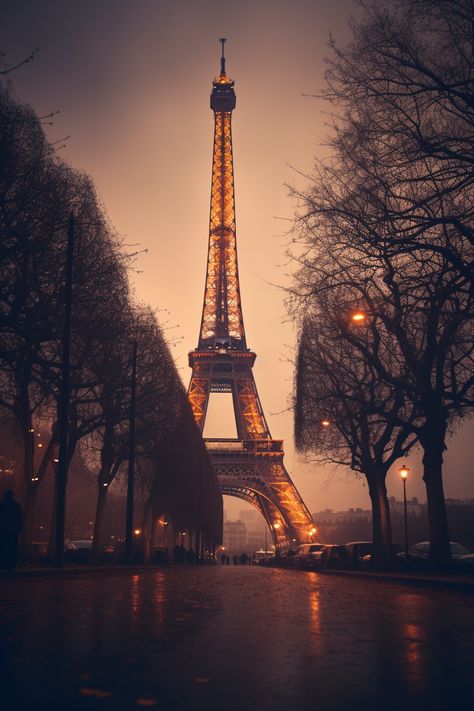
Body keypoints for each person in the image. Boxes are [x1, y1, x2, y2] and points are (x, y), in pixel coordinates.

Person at [0, 490, 23, 570]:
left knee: (4, 548)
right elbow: (19, 517)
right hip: (13, 531)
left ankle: (4, 564)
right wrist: (20, 528)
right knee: (12, 548)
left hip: (4, 531)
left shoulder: (2, 505)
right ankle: (11, 564)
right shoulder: (16, 505)